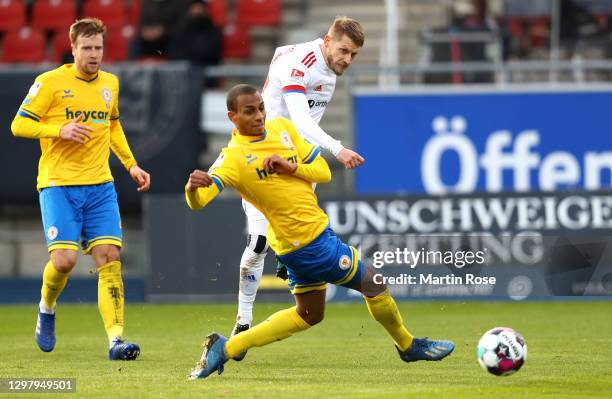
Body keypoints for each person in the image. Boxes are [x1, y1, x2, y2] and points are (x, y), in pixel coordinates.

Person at [185, 84, 454, 380]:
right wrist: (192, 189)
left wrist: (290, 167)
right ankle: (407, 345)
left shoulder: (282, 128)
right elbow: (199, 202)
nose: (259, 115)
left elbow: (323, 171)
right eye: (250, 111)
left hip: (302, 242)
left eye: (261, 107)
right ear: (232, 117)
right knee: (374, 283)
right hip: (307, 244)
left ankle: (226, 348)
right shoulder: (233, 158)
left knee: (310, 314)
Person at [10, 18, 151, 360]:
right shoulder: (50, 83)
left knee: (110, 258)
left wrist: (131, 164)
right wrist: (60, 130)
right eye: (86, 48)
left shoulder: (110, 84)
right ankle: (46, 307)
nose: (93, 54)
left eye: (98, 47)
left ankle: (116, 340)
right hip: (59, 184)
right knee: (64, 261)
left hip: (100, 186)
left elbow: (113, 126)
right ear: (72, 49)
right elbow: (19, 124)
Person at [230, 17, 366, 350]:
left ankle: (287, 262)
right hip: (261, 158)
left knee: (300, 236)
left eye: (354, 55)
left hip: (295, 161)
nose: (347, 60)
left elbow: (304, 127)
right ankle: (243, 320)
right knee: (259, 245)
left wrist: (304, 162)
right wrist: (338, 148)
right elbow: (301, 119)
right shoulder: (300, 64)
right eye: (344, 50)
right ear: (327, 39)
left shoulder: (329, 73)